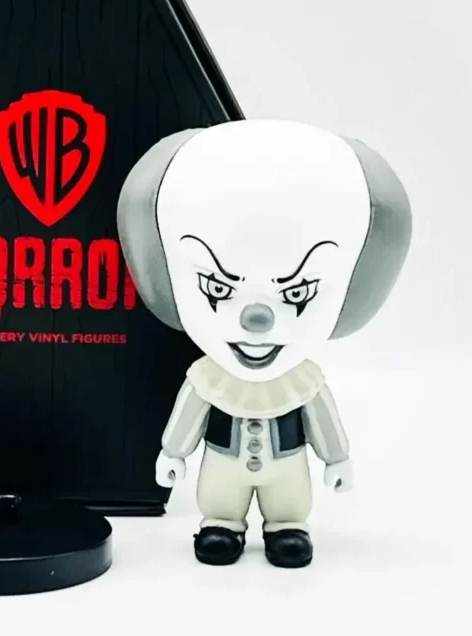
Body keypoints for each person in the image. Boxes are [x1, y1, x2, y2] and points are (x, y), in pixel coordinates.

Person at [117, 119, 412, 568]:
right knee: (220, 498)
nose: (256, 320)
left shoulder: (303, 382)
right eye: (218, 289)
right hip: (222, 463)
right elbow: (189, 415)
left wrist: (337, 459)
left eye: (297, 294)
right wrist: (172, 452)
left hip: (287, 466)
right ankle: (221, 524)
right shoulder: (208, 379)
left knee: (289, 501)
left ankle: (286, 527)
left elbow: (322, 421)